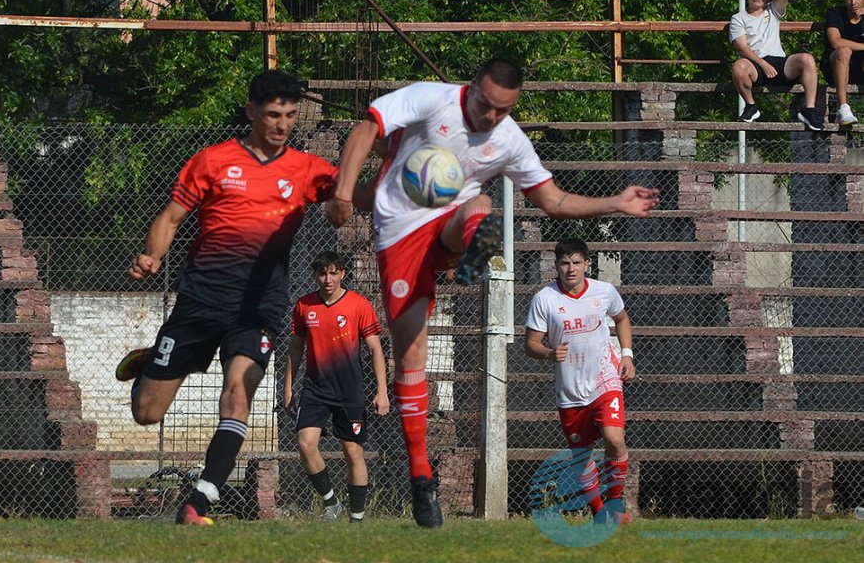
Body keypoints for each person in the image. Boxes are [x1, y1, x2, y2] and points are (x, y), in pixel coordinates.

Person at [323, 58, 659, 528]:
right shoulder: (431, 97)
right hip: (400, 236)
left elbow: (554, 201)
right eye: (485, 106)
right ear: (472, 89)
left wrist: (616, 203)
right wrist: (341, 193)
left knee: (480, 201)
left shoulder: (507, 139)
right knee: (411, 354)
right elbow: (365, 129)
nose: (490, 118)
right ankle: (422, 479)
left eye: (503, 111)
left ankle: (473, 254)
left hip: (451, 223)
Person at [114, 70, 338, 526]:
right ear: (251, 112)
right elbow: (171, 217)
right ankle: (150, 362)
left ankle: (199, 501)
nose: (282, 124)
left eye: (291, 115)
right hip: (200, 301)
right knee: (146, 413)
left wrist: (404, 182)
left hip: (258, 307)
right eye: (274, 114)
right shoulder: (214, 162)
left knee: (238, 395)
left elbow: (352, 199)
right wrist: (151, 255)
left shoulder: (307, 169)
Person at [524, 237, 636, 525]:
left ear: (586, 264)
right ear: (556, 266)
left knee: (614, 438)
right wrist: (549, 353)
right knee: (582, 456)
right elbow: (530, 344)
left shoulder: (604, 291)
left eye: (576, 262)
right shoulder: (544, 299)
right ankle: (599, 512)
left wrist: (626, 355)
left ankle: (615, 501)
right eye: (564, 263)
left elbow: (622, 319)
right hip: (571, 389)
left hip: (604, 378)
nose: (570, 269)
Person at [283, 251, 389, 523]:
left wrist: (382, 391)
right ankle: (331, 502)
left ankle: (356, 519)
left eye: (333, 273)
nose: (328, 279)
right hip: (314, 389)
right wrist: (288, 388)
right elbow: (295, 348)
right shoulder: (304, 305)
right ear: (316, 275)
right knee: (306, 444)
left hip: (349, 390)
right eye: (322, 273)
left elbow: (376, 350)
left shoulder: (359, 305)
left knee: (353, 452)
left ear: (342, 273)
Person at [728, 0, 823, 130]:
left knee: (807, 59)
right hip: (755, 66)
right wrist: (763, 64)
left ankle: (809, 109)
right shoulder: (738, 18)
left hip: (779, 62)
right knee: (739, 66)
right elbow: (742, 48)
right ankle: (751, 106)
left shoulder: (772, 10)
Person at [821, 0, 864, 126]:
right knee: (844, 51)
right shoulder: (835, 14)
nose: (853, 2)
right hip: (835, 66)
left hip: (860, 67)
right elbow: (836, 42)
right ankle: (843, 108)